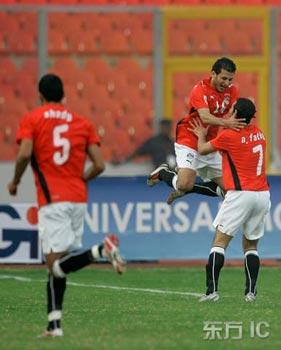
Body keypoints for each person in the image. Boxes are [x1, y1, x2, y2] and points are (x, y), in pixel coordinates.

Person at [7, 74, 126, 337]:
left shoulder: (33, 117)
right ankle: (54, 326)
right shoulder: (82, 122)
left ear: (40, 95)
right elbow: (99, 165)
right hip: (77, 198)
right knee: (60, 264)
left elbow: (25, 153)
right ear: (64, 96)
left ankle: (100, 250)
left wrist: (15, 180)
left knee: (54, 265)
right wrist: (79, 180)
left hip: (52, 200)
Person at [189, 98, 270, 302]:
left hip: (240, 194)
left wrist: (200, 135)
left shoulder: (228, 136)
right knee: (251, 246)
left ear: (234, 114)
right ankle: (251, 293)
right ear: (252, 117)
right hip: (262, 194)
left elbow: (202, 150)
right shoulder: (260, 134)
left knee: (219, 242)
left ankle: (212, 292)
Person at [147, 57, 246, 204]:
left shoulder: (232, 91)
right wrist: (228, 123)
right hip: (190, 138)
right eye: (224, 78)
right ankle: (163, 173)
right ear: (213, 73)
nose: (227, 83)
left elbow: (234, 116)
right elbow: (205, 117)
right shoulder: (200, 90)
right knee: (184, 184)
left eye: (230, 80)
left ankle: (190, 190)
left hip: (209, 144)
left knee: (231, 190)